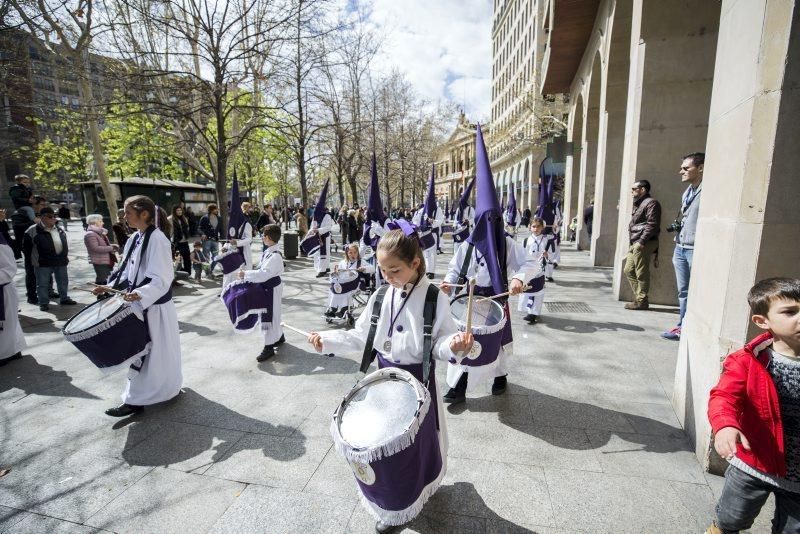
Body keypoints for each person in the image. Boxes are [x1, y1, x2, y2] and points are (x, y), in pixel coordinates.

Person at [307, 227, 473, 533]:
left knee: (414, 449)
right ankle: (392, 503)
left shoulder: (435, 298)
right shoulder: (382, 295)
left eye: (394, 270)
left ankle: (415, 495)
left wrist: (454, 345)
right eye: (383, 270)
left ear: (416, 263)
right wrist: (327, 340)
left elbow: (439, 343)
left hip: (417, 385)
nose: (388, 277)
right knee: (383, 446)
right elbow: (361, 337)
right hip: (382, 383)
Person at [439, 124, 536, 404]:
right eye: (485, 221)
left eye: (495, 219)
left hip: (496, 299)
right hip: (469, 302)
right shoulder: (467, 245)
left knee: (499, 343)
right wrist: (448, 284)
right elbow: (454, 271)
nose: (490, 225)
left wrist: (518, 279)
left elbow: (530, 262)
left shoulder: (507, 243)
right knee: (463, 342)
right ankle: (458, 385)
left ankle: (500, 376)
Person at [706, 277, 800, 534]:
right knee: (730, 519)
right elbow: (723, 397)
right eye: (790, 312)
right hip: (754, 462)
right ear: (762, 321)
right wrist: (725, 426)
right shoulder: (748, 361)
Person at [94, 195, 182, 417]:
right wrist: (109, 287)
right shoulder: (135, 238)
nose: (124, 216)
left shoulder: (158, 239)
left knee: (153, 354)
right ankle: (146, 394)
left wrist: (140, 294)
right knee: (148, 354)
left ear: (144, 214)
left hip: (154, 309)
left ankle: (139, 399)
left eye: (128, 212)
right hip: (139, 305)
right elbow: (125, 270)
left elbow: (162, 278)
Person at [663, 152, 704, 341]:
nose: (681, 171)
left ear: (701, 168)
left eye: (686, 168)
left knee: (697, 292)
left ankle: (691, 328)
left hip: (695, 249)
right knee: (683, 291)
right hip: (680, 246)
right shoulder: (687, 192)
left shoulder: (708, 191)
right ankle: (682, 326)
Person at [236, 224, 286, 362]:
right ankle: (279, 336)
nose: (262, 237)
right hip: (268, 287)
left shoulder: (275, 256)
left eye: (263, 235)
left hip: (271, 288)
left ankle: (269, 346)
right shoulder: (268, 251)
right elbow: (261, 268)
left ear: (268, 238)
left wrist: (245, 274)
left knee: (269, 316)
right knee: (274, 314)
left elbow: (264, 274)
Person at [23, 207, 77, 311]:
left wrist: (65, 257)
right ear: (42, 217)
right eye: (50, 217)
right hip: (43, 263)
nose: (54, 219)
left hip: (60, 261)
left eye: (54, 216)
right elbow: (26, 249)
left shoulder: (59, 228)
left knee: (63, 282)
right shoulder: (32, 230)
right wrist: (34, 260)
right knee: (42, 284)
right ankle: (43, 303)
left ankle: (64, 298)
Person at [623, 180, 661, 310]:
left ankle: (641, 300)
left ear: (643, 189)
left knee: (641, 273)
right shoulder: (639, 204)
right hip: (636, 242)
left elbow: (652, 224)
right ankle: (641, 298)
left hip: (644, 242)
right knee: (628, 270)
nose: (632, 191)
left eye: (634, 189)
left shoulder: (651, 203)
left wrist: (641, 242)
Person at [325, 243, 375, 318]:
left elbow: (373, 268)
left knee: (347, 292)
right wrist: (337, 271)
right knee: (335, 290)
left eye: (355, 252)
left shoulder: (361, 262)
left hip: (356, 284)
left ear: (358, 253)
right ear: (347, 254)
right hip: (344, 283)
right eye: (350, 253)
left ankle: (344, 310)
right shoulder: (343, 262)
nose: (353, 255)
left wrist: (364, 268)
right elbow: (338, 272)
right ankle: (332, 309)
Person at [519, 217, 553, 324]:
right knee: (527, 291)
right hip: (529, 270)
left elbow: (551, 255)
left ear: (542, 227)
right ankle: (529, 311)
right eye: (533, 226)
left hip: (539, 271)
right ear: (530, 227)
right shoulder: (526, 241)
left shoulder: (547, 241)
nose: (536, 229)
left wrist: (547, 255)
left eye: (538, 226)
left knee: (538, 292)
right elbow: (521, 255)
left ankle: (533, 313)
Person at [0, 231, 26, 367]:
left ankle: (5, 354)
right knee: (10, 323)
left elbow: (9, 268)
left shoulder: (1, 245)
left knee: (6, 324)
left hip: (3, 290)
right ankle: (14, 349)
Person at [83, 214, 119, 286]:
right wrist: (111, 248)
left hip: (105, 259)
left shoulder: (100, 233)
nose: (103, 223)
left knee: (104, 278)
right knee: (103, 280)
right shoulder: (90, 234)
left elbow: (103, 245)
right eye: (101, 221)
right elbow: (95, 248)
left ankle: (102, 294)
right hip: (99, 261)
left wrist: (112, 246)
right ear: (95, 223)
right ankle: (101, 295)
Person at [309, 181, 333, 278]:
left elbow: (328, 227)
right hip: (316, 237)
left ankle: (322, 270)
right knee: (317, 254)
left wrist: (319, 230)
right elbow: (312, 226)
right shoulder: (315, 217)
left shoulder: (327, 216)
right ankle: (324, 267)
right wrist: (311, 231)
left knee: (324, 253)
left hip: (324, 237)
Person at [199, 204, 223, 272]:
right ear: (211, 210)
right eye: (215, 209)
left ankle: (210, 270)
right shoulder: (204, 218)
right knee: (206, 257)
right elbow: (199, 228)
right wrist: (203, 234)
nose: (217, 210)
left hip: (215, 240)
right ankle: (207, 273)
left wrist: (222, 238)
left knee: (216, 257)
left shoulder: (219, 218)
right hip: (206, 240)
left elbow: (221, 229)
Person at [169, 206, 192, 275]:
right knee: (177, 259)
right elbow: (170, 231)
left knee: (187, 258)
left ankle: (188, 272)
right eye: (177, 210)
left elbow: (187, 228)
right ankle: (178, 273)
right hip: (176, 242)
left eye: (180, 210)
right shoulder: (170, 219)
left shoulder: (184, 218)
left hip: (184, 241)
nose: (179, 212)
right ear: (174, 211)